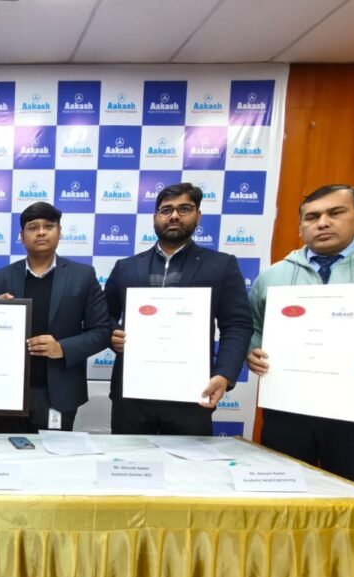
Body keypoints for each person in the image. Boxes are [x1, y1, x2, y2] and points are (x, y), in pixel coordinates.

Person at [247, 184, 354, 492]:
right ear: (300, 226)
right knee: (282, 503)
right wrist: (252, 350)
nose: (323, 223)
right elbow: (253, 326)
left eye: (336, 213)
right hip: (288, 413)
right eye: (312, 217)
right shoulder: (273, 275)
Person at [104, 182, 252, 435]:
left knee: (189, 462)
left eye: (184, 209)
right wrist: (111, 334)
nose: (174, 216)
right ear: (155, 218)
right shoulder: (126, 267)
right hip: (132, 395)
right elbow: (103, 317)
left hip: (193, 395)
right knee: (128, 459)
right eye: (166, 210)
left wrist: (224, 374)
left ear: (198, 216)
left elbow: (237, 325)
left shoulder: (221, 265)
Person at [0, 202, 111, 432]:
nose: (41, 232)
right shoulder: (0, 278)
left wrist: (62, 348)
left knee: (53, 455)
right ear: (21, 236)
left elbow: (102, 331)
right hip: (6, 391)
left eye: (48, 226)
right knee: (4, 451)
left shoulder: (82, 276)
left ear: (59, 232)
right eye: (33, 227)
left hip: (59, 393)